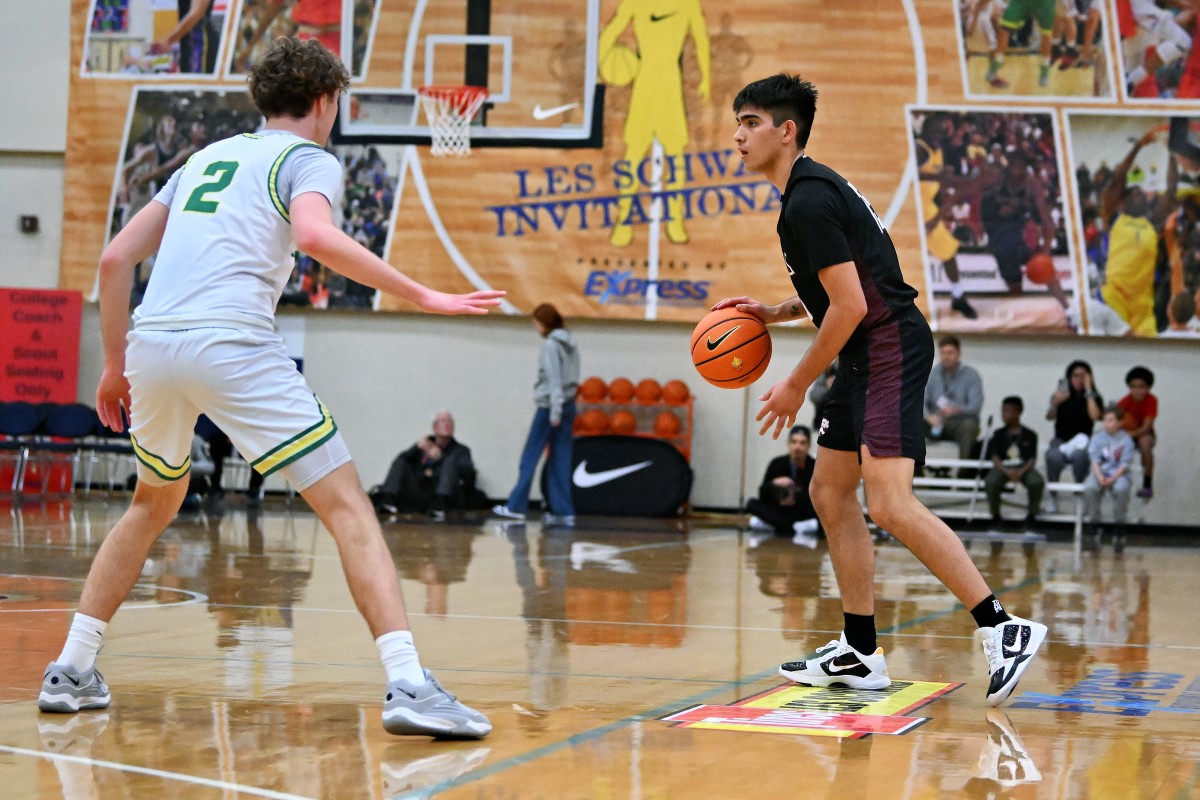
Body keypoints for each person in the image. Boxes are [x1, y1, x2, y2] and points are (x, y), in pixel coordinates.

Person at [37, 37, 502, 739]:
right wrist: (424, 294)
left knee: (151, 504)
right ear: (324, 101)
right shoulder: (307, 158)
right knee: (348, 509)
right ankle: (409, 683)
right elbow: (314, 236)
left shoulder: (204, 158)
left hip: (153, 344)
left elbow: (114, 258)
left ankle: (71, 669)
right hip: (231, 341)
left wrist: (111, 366)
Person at [720, 73, 1046, 706]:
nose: (738, 135)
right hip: (868, 348)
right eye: (738, 121)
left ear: (787, 131)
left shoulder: (809, 201)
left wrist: (794, 383)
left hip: (886, 346)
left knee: (890, 503)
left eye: (752, 122)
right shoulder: (809, 192)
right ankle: (861, 649)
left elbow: (849, 306)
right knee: (829, 489)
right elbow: (833, 293)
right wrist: (770, 312)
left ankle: (1003, 627)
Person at [493, 304, 581, 526]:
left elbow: (554, 381)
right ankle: (564, 511)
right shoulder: (570, 340)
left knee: (529, 457)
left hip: (550, 408)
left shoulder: (551, 345)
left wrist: (555, 411)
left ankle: (516, 506)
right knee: (560, 459)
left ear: (543, 323)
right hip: (569, 404)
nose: (535, 327)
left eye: (536, 322)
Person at [372, 411, 478, 519]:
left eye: (449, 422)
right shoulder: (424, 446)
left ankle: (440, 506)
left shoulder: (461, 450)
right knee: (401, 461)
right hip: (421, 489)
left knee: (450, 461)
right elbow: (402, 461)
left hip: (443, 492)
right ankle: (387, 501)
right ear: (434, 426)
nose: (446, 424)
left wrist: (441, 458)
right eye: (442, 421)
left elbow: (466, 474)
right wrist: (416, 447)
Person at [746, 424, 821, 545]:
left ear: (808, 446)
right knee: (751, 504)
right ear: (788, 444)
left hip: (800, 510)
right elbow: (762, 494)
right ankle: (792, 527)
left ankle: (779, 526)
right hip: (778, 508)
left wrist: (794, 497)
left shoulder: (815, 466)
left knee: (820, 512)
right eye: (794, 442)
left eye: (802, 443)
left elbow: (818, 496)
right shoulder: (777, 463)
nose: (798, 447)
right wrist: (773, 484)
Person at [983, 396, 1045, 531]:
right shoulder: (998, 434)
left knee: (1036, 482)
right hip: (1003, 468)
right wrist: (1006, 471)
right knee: (991, 481)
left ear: (1018, 412)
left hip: (1023, 468)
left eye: (1007, 411)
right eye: (1002, 411)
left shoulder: (1030, 435)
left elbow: (1032, 458)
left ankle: (1031, 516)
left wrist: (1021, 471)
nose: (1003, 415)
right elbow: (994, 457)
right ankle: (995, 516)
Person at [1044, 360, 1103, 498]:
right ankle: (1053, 493)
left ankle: (1079, 491)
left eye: (1083, 376)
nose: (1079, 380)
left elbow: (1095, 416)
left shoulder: (1094, 397)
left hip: (1083, 441)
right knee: (1052, 455)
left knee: (1080, 456)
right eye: (1075, 376)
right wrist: (1054, 404)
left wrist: (1088, 391)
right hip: (1061, 440)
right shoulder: (1061, 395)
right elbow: (1049, 416)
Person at [1083, 405, 1136, 550]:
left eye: (1111, 420)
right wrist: (1100, 477)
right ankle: (1094, 525)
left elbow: (1124, 464)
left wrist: (1112, 479)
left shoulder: (1126, 440)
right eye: (1105, 420)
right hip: (1100, 472)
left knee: (1121, 489)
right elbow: (1094, 460)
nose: (1107, 423)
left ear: (1119, 422)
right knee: (1090, 487)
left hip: (1119, 474)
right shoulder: (1097, 437)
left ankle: (1119, 528)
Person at [924, 335, 984, 461]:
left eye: (950, 352)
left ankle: (964, 475)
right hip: (936, 421)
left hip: (960, 422)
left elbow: (975, 406)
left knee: (969, 427)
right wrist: (928, 416)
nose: (946, 357)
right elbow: (920, 401)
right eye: (943, 353)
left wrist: (956, 409)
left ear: (959, 353)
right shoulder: (932, 374)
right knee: (909, 424)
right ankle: (916, 476)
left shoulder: (971, 375)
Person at [985, 0, 1058, 89]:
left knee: (1046, 34)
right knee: (1004, 29)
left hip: (1044, 3)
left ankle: (1045, 70)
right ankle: (993, 68)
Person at [1116, 366, 1157, 499]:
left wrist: (1132, 434)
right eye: (1133, 386)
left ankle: (1147, 484)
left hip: (1144, 433)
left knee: (1145, 443)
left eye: (1141, 386)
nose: (1137, 390)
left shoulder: (1152, 400)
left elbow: (1146, 426)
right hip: (1127, 433)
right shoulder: (1124, 402)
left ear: (1148, 387)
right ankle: (1114, 479)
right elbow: (1116, 423)